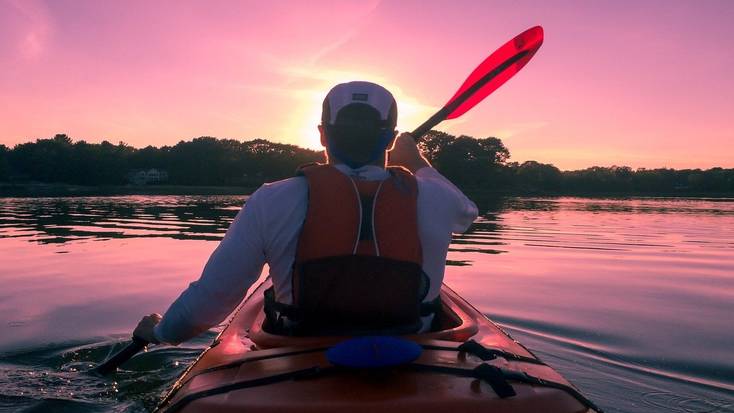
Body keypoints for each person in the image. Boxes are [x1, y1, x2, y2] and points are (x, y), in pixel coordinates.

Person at [134, 81, 478, 344]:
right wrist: (415, 159)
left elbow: (210, 301)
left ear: (322, 135)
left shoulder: (272, 199)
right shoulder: (437, 198)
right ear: (389, 139)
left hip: (300, 349)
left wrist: (159, 332)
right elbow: (467, 213)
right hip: (414, 352)